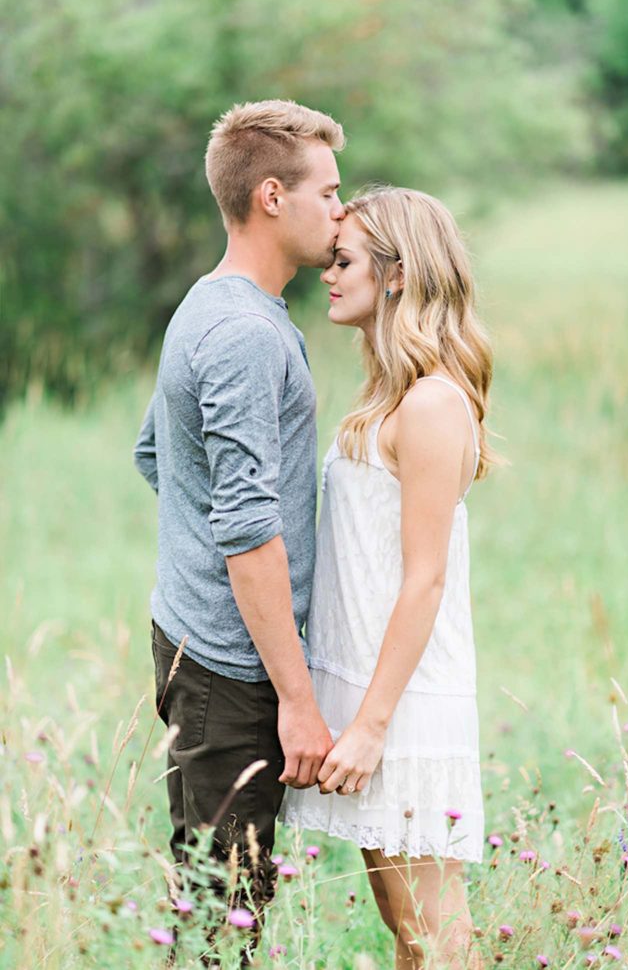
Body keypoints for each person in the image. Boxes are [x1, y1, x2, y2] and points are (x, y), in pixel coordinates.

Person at [133, 100, 345, 952]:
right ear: (270, 196)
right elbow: (249, 527)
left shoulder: (210, 305)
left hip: (200, 647)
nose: (341, 209)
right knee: (226, 925)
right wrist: (297, 700)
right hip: (230, 668)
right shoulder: (244, 335)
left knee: (211, 908)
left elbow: (156, 453)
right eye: (327, 192)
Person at [280, 186, 493, 969]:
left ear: (397, 274)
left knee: (434, 938)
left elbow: (425, 581)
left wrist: (369, 725)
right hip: (371, 692)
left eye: (344, 262)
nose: (328, 275)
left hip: (403, 707)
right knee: (407, 935)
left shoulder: (434, 403)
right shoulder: (391, 395)